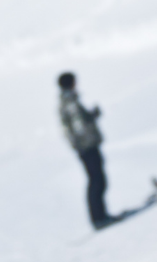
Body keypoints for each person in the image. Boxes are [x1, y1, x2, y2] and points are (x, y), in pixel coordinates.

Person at [58, 72, 113, 229]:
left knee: (96, 179)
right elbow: (78, 125)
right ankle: (99, 218)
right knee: (97, 180)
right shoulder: (69, 101)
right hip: (87, 146)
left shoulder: (67, 100)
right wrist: (90, 122)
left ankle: (100, 217)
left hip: (84, 146)